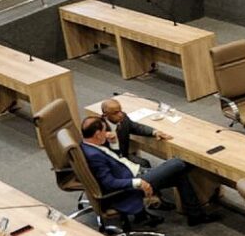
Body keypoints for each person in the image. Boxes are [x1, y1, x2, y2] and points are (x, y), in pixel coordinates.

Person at [79, 115, 208, 226]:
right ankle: (202, 158)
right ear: (97, 134)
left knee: (179, 173)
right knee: (179, 163)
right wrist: (138, 182)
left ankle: (195, 216)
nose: (106, 132)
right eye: (104, 130)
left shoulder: (89, 146)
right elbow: (109, 183)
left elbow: (116, 160)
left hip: (136, 172)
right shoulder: (94, 155)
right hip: (131, 184)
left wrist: (113, 143)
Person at [99, 97, 173, 163]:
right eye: (115, 113)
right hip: (110, 162)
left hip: (124, 155)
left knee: (144, 163)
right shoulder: (98, 130)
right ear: (105, 115)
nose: (120, 114)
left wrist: (154, 132)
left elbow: (135, 127)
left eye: (120, 111)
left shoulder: (123, 118)